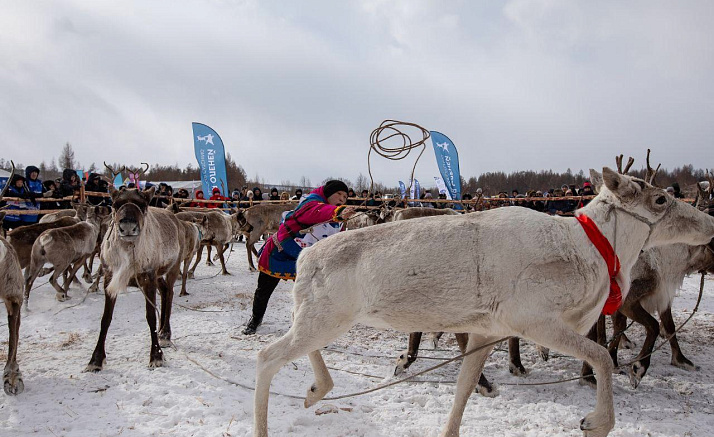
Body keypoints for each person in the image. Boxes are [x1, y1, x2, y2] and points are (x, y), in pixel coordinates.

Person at [242, 180, 356, 335]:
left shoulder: (338, 220)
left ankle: (306, 327)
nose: (342, 198)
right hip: (280, 253)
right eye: (339, 194)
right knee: (264, 290)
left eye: (345, 196)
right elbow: (316, 211)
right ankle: (255, 320)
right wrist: (338, 212)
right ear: (329, 193)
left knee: (312, 294)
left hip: (305, 258)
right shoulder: (310, 204)